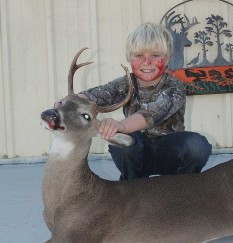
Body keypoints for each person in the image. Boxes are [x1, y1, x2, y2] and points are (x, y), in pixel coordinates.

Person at [73, 22, 212, 180]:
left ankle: (180, 190)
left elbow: (151, 113)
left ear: (166, 59)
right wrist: (70, 103)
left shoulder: (175, 86)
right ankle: (132, 189)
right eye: (139, 56)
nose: (147, 62)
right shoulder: (125, 83)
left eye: (155, 55)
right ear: (129, 57)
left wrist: (121, 125)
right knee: (124, 143)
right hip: (136, 150)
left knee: (196, 145)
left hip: (169, 151)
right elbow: (98, 95)